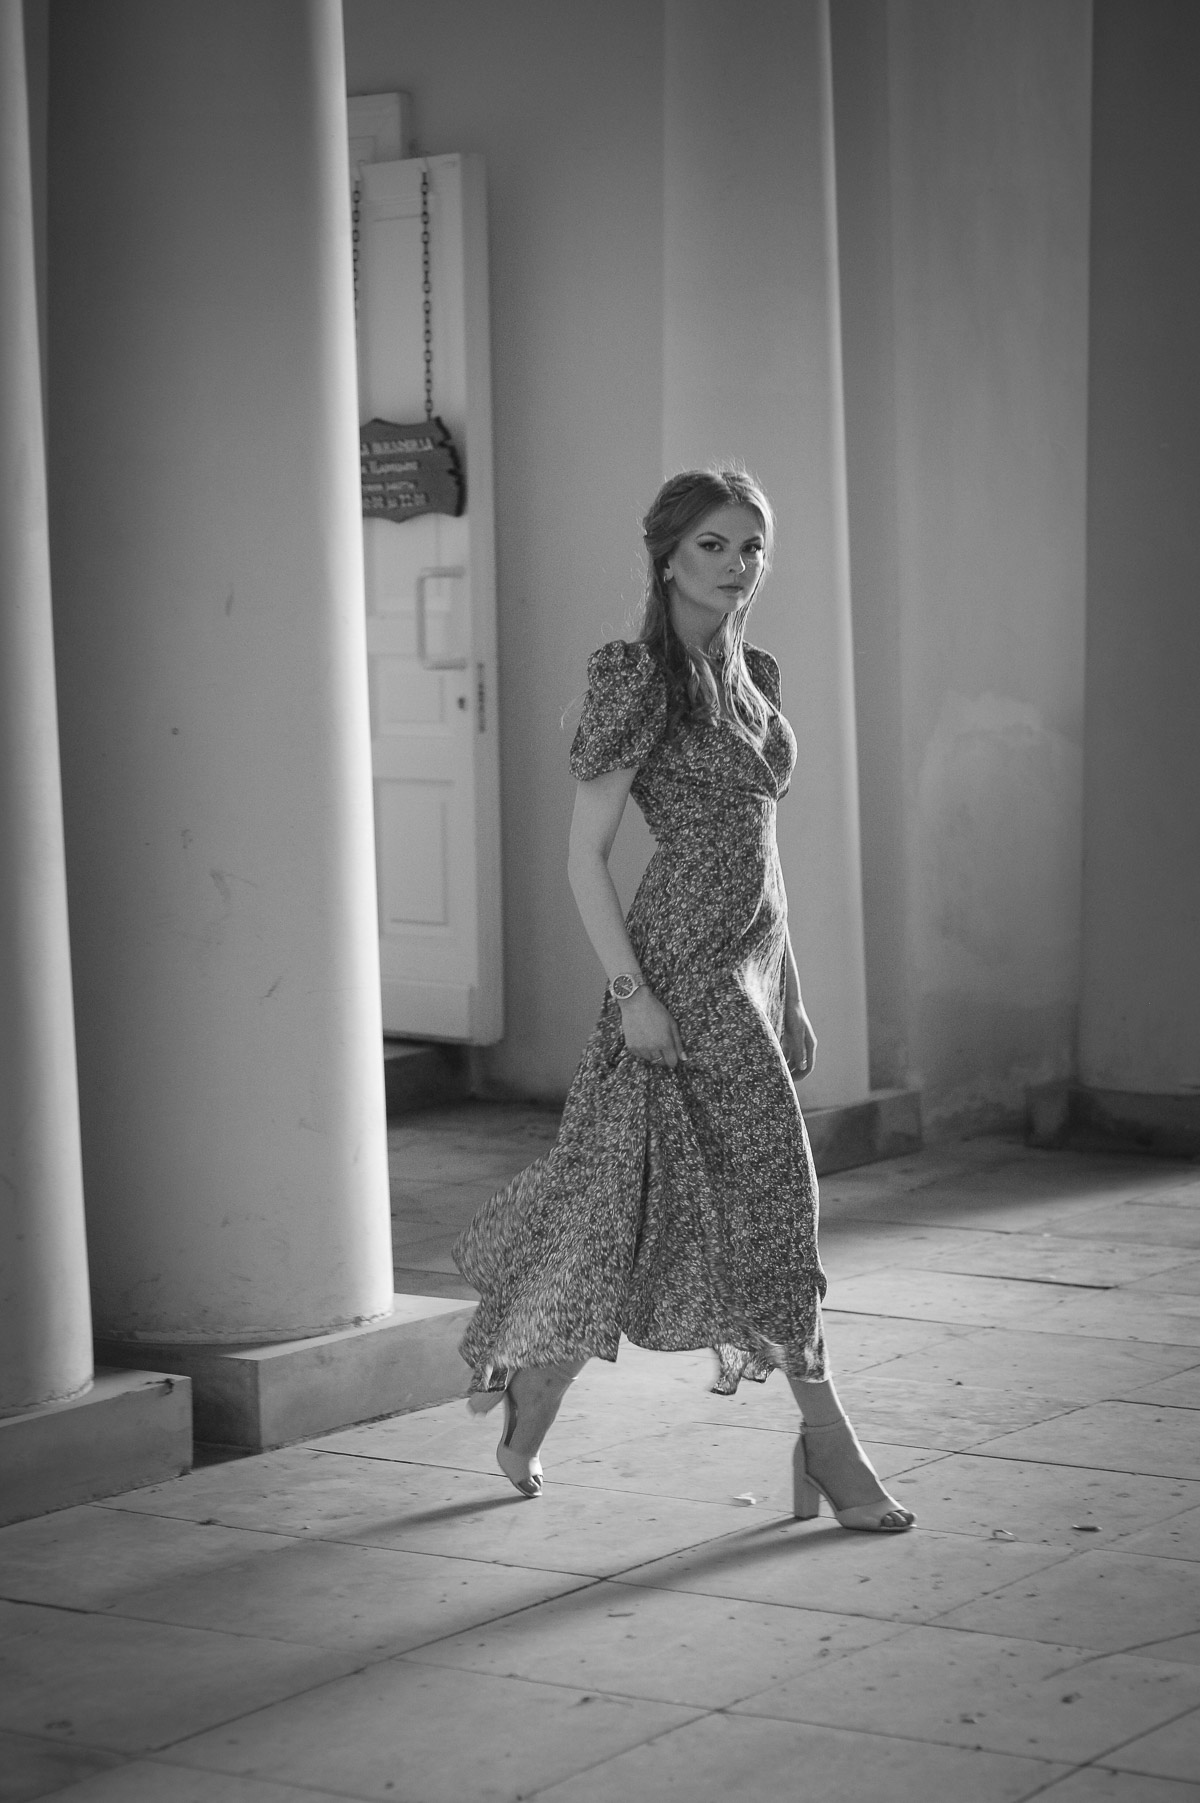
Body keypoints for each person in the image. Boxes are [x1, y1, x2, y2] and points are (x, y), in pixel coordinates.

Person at [453, 468, 914, 1533]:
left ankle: (537, 1389)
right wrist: (633, 996)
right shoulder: (636, 679)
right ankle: (829, 1444)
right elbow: (585, 857)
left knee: (631, 1204)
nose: (737, 564)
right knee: (769, 1199)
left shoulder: (753, 675)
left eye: (752, 546)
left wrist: (790, 989)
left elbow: (765, 851)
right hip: (679, 976)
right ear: (666, 556)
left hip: (749, 974)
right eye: (714, 544)